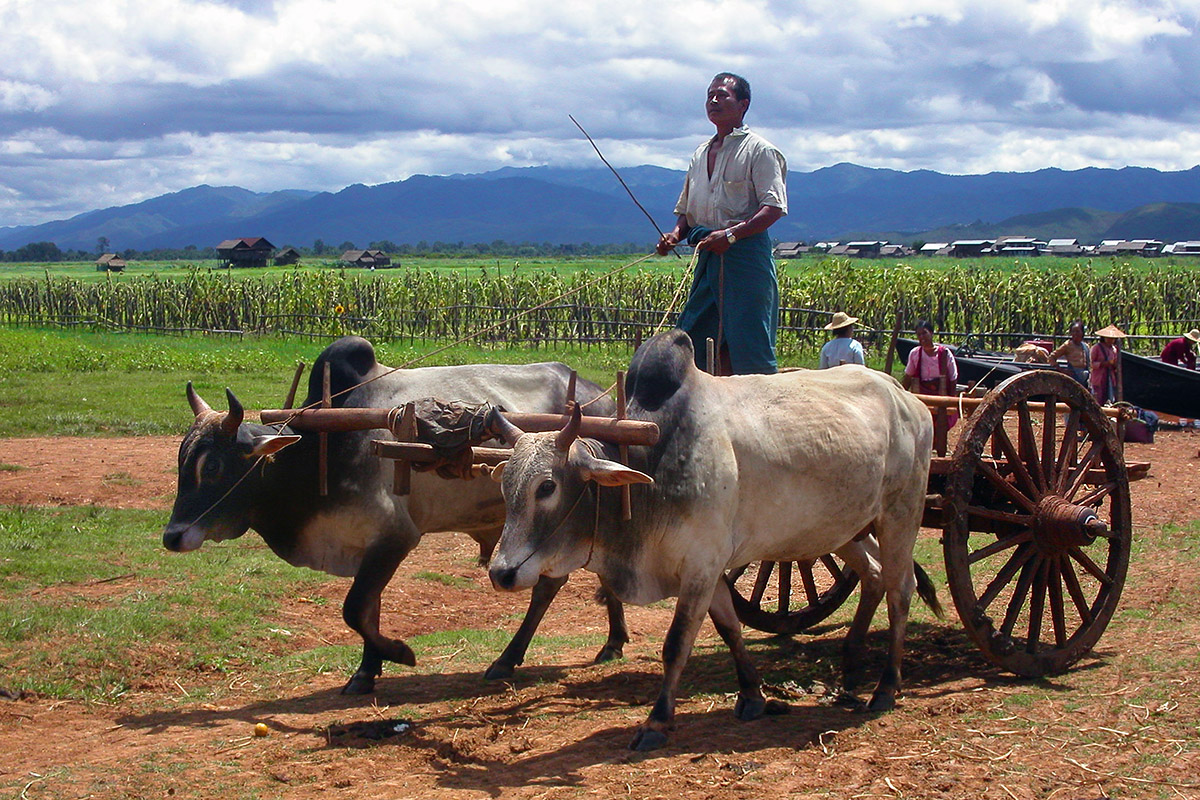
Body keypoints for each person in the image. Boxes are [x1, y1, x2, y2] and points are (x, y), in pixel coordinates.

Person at [656, 72, 787, 375]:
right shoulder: (700, 154)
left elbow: (773, 209)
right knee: (692, 336)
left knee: (749, 341)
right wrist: (674, 235)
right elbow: (688, 212)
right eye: (709, 95)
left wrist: (729, 236)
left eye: (722, 95)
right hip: (709, 261)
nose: (713, 101)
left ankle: (760, 405)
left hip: (745, 261)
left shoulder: (760, 151)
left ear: (743, 104)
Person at [902, 319, 959, 428]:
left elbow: (953, 378)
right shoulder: (915, 354)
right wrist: (901, 393)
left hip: (941, 396)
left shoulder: (945, 354)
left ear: (931, 333)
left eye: (924, 333)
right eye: (919, 335)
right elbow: (908, 377)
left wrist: (951, 400)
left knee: (940, 427)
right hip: (922, 397)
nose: (922, 337)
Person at [1090, 325, 1125, 404]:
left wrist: (1115, 364)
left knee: (1109, 398)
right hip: (1099, 378)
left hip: (1110, 377)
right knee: (1098, 398)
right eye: (1108, 338)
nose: (1110, 340)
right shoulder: (1096, 348)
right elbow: (1091, 364)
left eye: (1112, 338)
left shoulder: (1114, 349)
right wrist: (1104, 364)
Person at [1049, 320, 1089, 386]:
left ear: (1082, 333)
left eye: (1077, 331)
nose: (1075, 334)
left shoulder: (1086, 346)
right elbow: (1052, 357)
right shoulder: (1068, 345)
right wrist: (1062, 370)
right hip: (1073, 376)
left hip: (1084, 376)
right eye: (1073, 331)